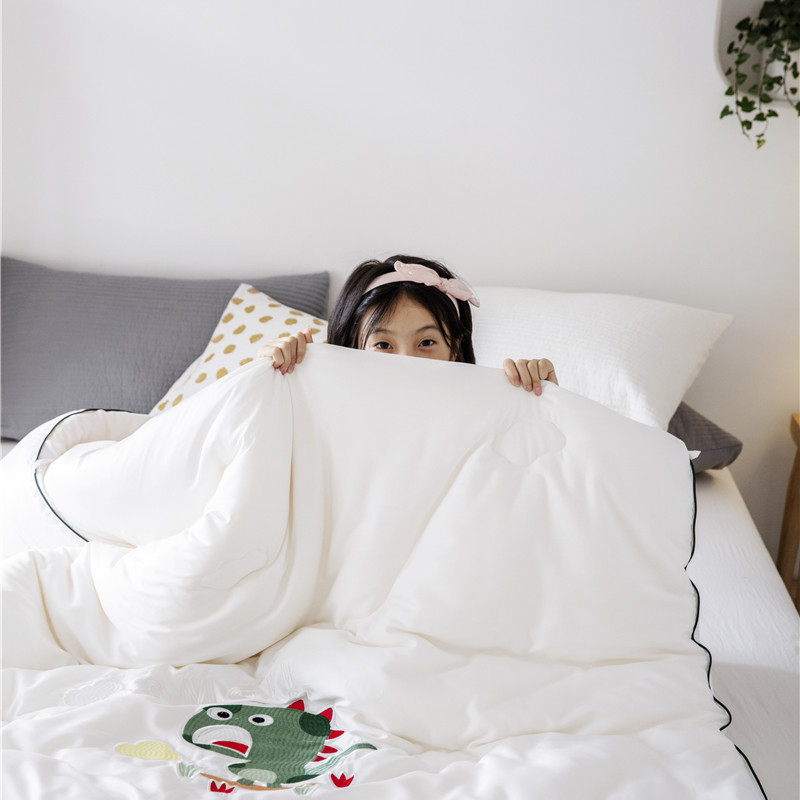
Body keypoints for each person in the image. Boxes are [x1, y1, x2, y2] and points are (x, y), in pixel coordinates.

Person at [257, 255, 558, 395]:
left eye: (426, 343)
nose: (406, 361)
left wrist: (541, 398)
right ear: (352, 349)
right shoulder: (324, 411)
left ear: (455, 349)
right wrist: (272, 380)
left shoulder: (487, 411)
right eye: (383, 345)